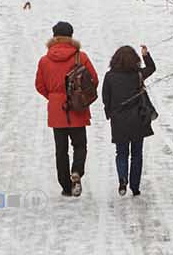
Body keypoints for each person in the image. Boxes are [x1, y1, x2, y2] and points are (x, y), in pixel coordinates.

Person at [34, 21, 99, 197]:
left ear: (54, 37)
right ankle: (77, 171)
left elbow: (39, 85)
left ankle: (66, 186)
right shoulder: (81, 57)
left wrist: (54, 97)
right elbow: (93, 80)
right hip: (77, 107)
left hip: (57, 110)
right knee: (80, 145)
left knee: (61, 150)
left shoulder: (44, 60)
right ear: (71, 36)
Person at [102, 45, 156, 196]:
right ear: (134, 60)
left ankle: (122, 179)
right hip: (138, 118)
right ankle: (135, 186)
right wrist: (146, 55)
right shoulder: (138, 74)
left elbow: (106, 98)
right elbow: (151, 68)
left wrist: (110, 113)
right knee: (137, 153)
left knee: (121, 152)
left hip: (119, 121)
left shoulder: (109, 76)